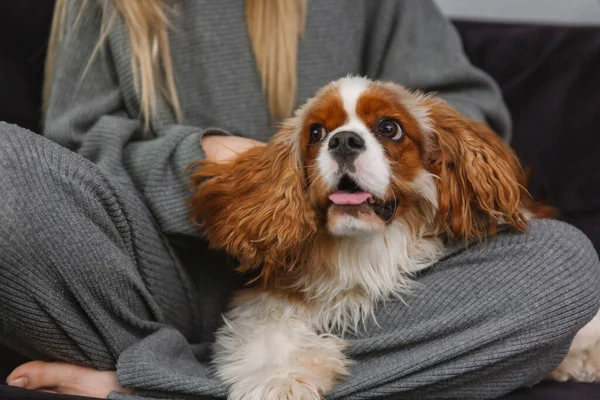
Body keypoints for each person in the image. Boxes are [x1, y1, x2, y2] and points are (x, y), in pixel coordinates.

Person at [1, 0, 598, 399]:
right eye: (323, 136)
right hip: (151, 278)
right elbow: (68, 151)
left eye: (382, 129)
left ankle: (158, 383)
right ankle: (269, 371)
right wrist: (200, 157)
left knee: (562, 264)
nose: (341, 142)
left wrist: (410, 153)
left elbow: (472, 123)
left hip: (383, 287)